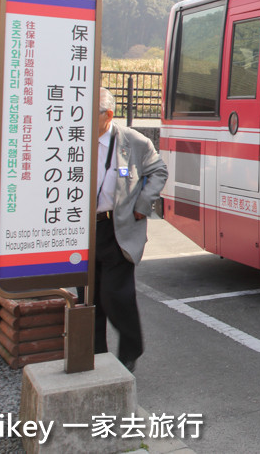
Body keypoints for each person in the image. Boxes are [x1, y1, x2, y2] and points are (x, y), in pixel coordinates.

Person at [83, 88, 168, 372]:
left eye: (89, 111)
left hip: (117, 228)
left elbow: (158, 171)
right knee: (88, 298)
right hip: (82, 230)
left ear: (108, 115)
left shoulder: (132, 141)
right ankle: (95, 356)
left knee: (115, 295)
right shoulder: (74, 136)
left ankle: (131, 348)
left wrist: (144, 204)